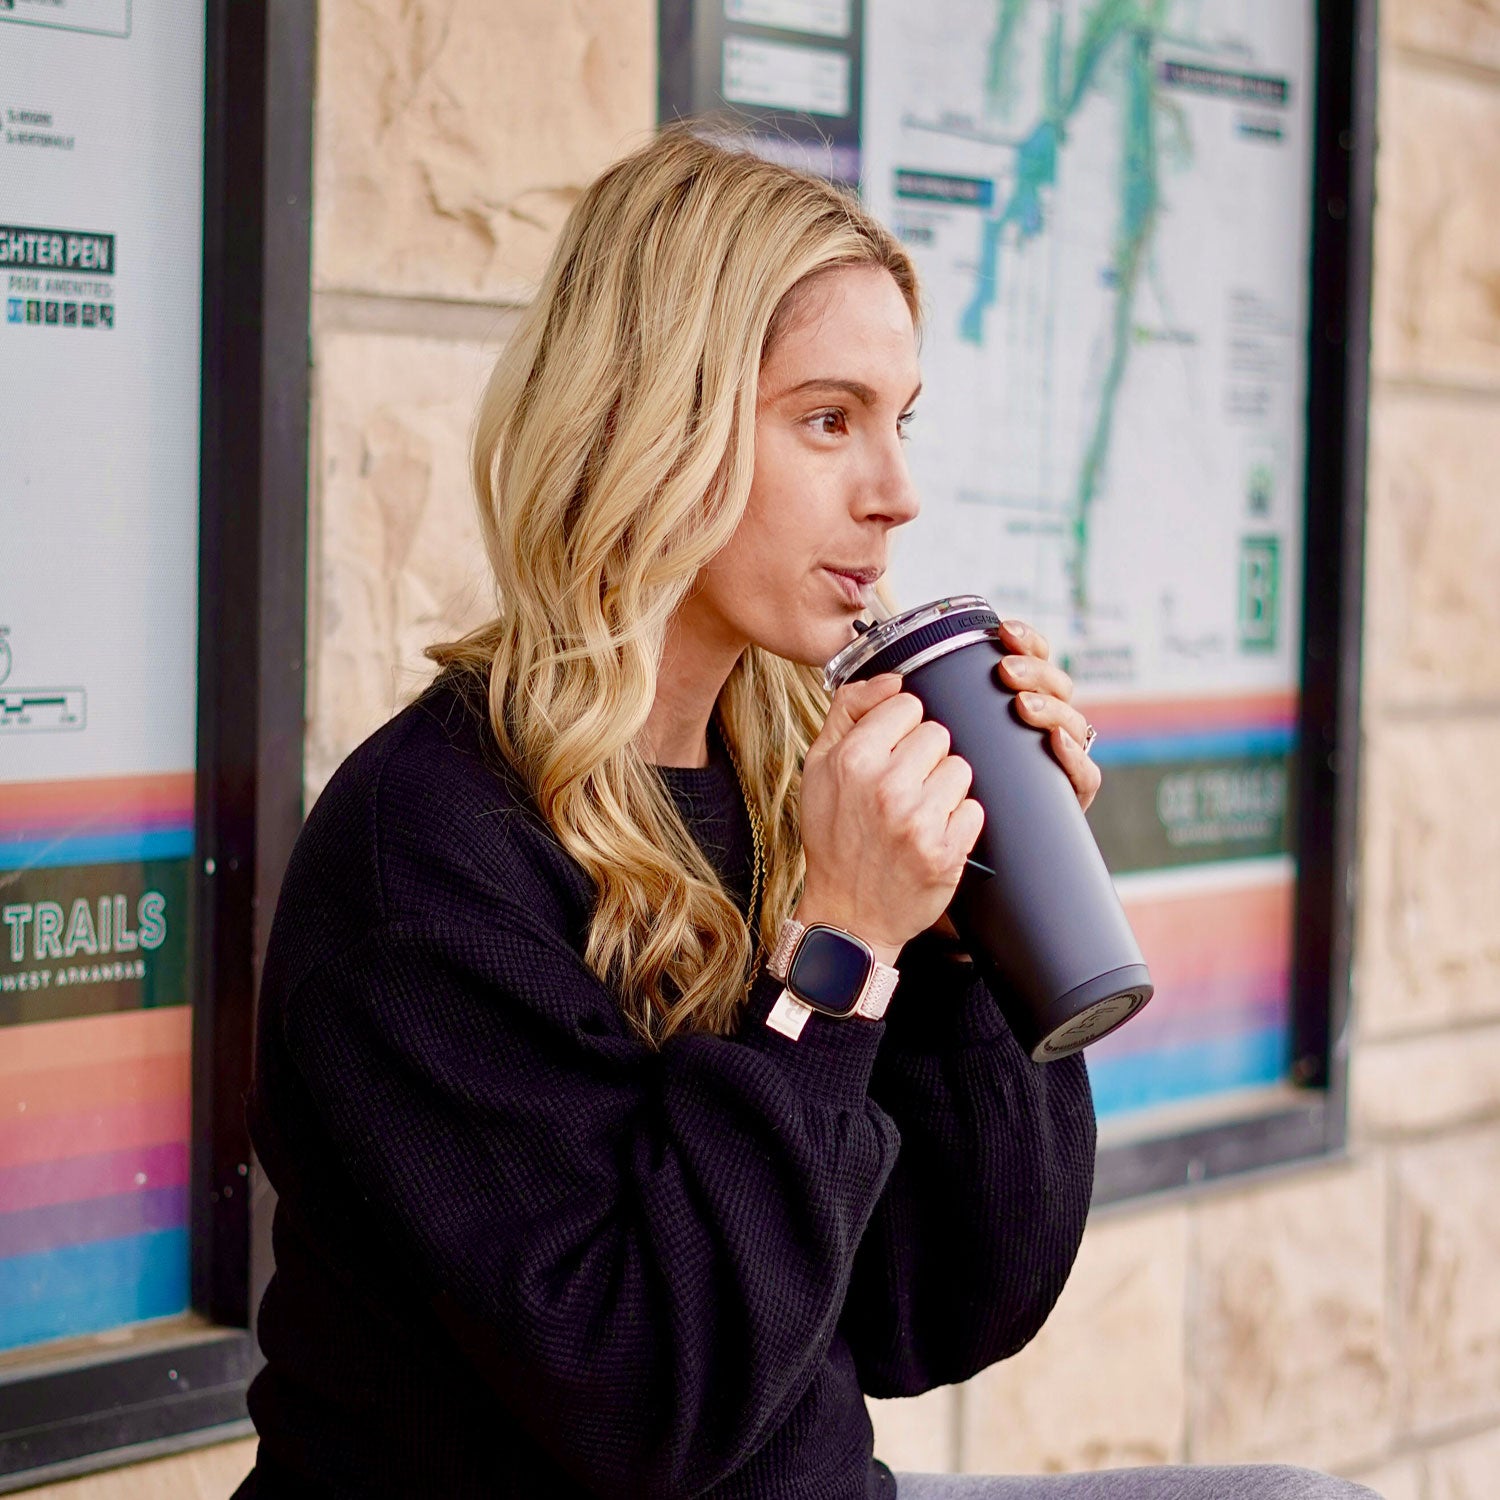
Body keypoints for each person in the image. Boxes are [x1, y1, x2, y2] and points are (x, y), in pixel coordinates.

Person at [233, 131, 1379, 1499]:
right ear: (648, 424)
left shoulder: (776, 778)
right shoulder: (426, 852)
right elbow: (649, 1402)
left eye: (903, 421)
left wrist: (965, 916)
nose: (895, 493)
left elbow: (937, 1308)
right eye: (827, 420)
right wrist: (832, 956)